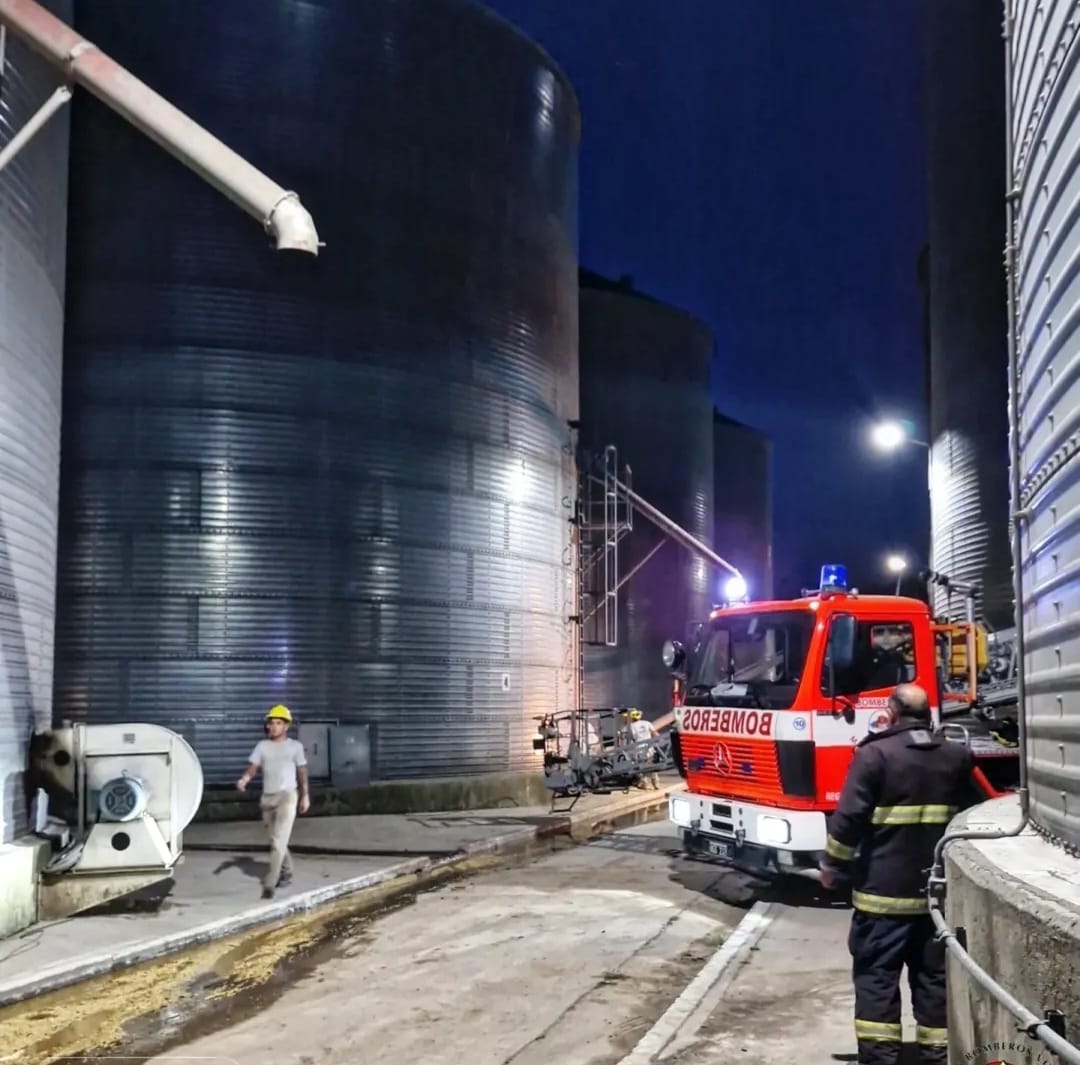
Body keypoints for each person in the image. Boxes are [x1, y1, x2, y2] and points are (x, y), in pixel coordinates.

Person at [819, 683, 975, 1065]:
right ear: (927, 714)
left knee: (877, 980)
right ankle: (938, 1055)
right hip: (935, 899)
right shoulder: (956, 756)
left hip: (881, 900)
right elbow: (975, 817)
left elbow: (848, 821)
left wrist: (832, 867)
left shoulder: (874, 755)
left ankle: (880, 1058)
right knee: (933, 980)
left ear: (891, 713)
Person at [236, 704, 310, 899]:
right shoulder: (262, 746)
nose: (273, 726)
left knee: (278, 842)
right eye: (271, 723)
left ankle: (269, 884)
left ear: (286, 726)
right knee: (275, 840)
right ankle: (288, 870)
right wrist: (244, 779)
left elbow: (302, 772)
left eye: (278, 723)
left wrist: (305, 795)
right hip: (268, 798)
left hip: (288, 796)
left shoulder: (295, 747)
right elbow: (253, 767)